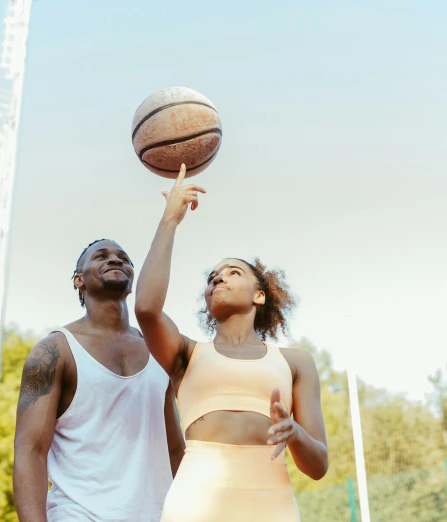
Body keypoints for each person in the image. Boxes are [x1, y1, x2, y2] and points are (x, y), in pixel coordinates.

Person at [135, 165, 329, 521]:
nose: (218, 277)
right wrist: (170, 219)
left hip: (272, 505)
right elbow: (146, 308)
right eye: (212, 277)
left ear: (259, 296)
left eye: (232, 272)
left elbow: (318, 466)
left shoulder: (296, 362)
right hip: (194, 503)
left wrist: (295, 432)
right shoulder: (187, 354)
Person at [13, 239, 185, 522]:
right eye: (101, 256)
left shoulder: (159, 351)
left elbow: (175, 449)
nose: (116, 260)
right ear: (78, 280)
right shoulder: (54, 350)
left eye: (124, 257)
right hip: (77, 514)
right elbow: (30, 450)